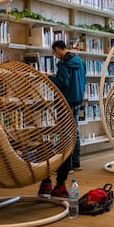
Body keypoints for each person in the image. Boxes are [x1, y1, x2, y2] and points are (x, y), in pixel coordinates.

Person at [38, 40, 86, 198]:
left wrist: (49, 78)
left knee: (64, 133)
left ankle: (66, 163)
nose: (55, 56)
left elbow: (62, 82)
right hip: (78, 98)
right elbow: (82, 79)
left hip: (66, 101)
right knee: (74, 130)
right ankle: (75, 162)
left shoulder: (63, 63)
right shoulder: (79, 60)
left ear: (58, 49)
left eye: (54, 52)